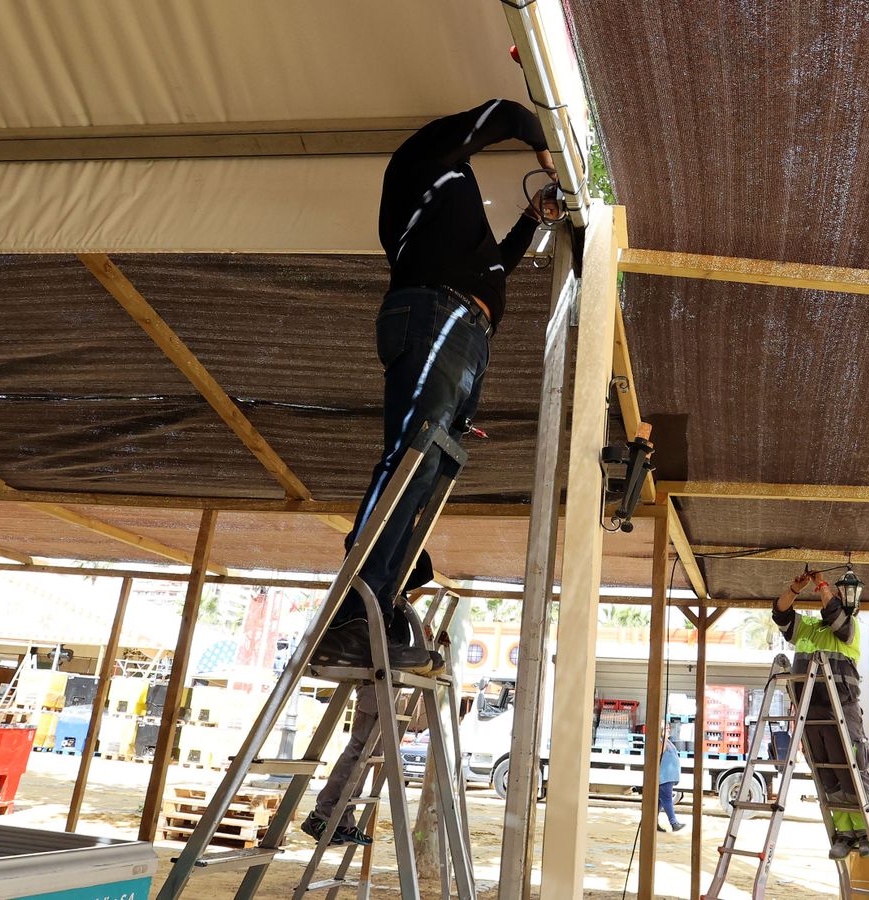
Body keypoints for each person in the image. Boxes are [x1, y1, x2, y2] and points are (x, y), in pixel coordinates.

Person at [312, 98, 560, 675]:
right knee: (412, 461)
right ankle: (351, 610)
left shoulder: (448, 209)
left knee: (424, 474)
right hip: (435, 318)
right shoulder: (423, 158)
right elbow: (506, 114)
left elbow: (492, 267)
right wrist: (546, 149)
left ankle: (379, 600)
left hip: (464, 330)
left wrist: (530, 218)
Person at [773, 570, 869, 860]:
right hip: (811, 713)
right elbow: (781, 614)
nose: (834, 600)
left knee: (851, 769)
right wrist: (795, 588)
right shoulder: (809, 629)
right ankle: (845, 833)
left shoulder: (850, 628)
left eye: (838, 598)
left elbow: (836, 617)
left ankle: (865, 830)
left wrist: (822, 585)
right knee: (828, 774)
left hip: (842, 709)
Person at [301, 688, 377, 846]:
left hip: (391, 686)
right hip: (375, 684)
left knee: (371, 755)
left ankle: (343, 822)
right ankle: (320, 816)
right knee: (359, 751)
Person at [656, 726, 684, 833]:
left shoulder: (667, 741)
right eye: (666, 728)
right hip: (664, 776)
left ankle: (653, 823)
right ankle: (674, 823)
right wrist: (664, 738)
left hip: (669, 776)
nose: (668, 729)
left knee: (659, 802)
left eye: (668, 728)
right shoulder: (659, 741)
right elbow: (659, 752)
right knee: (667, 800)